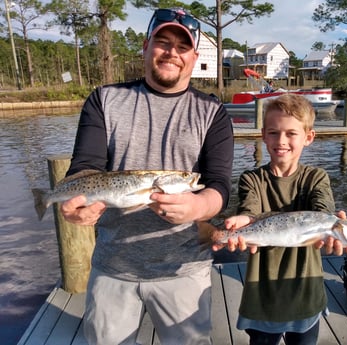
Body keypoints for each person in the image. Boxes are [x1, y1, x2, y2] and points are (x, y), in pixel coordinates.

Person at [60, 8, 234, 345]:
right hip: (112, 267)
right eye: (163, 42)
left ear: (194, 56)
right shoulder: (104, 100)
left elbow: (219, 186)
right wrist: (75, 204)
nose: (172, 53)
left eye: (183, 47)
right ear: (146, 45)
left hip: (184, 270)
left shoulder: (213, 113)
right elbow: (85, 166)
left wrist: (197, 208)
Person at [216, 94, 347, 345]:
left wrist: (333, 227)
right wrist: (242, 222)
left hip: (306, 296)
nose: (281, 141)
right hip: (262, 297)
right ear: (263, 134)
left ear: (308, 137)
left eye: (291, 133)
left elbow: (323, 209)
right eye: (273, 132)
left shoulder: (317, 178)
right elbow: (250, 211)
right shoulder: (251, 179)